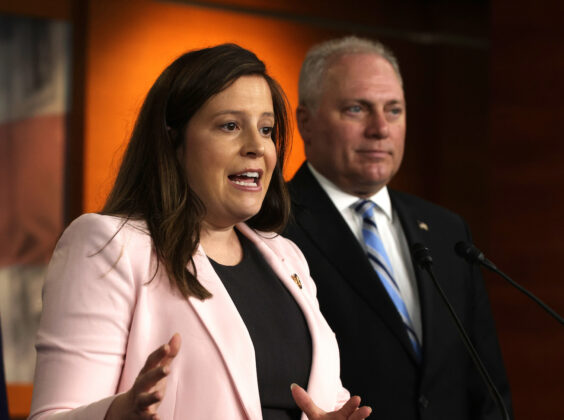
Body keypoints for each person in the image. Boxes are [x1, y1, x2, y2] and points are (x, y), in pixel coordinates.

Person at [28, 44, 372, 420]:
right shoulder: (108, 245)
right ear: (174, 142)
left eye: (267, 129)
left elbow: (324, 396)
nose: (257, 147)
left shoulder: (287, 257)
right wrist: (118, 413)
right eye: (230, 126)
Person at [283, 36, 512, 420]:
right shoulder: (272, 228)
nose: (380, 129)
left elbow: (487, 386)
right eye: (357, 109)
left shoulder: (446, 230)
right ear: (305, 122)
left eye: (394, 110)